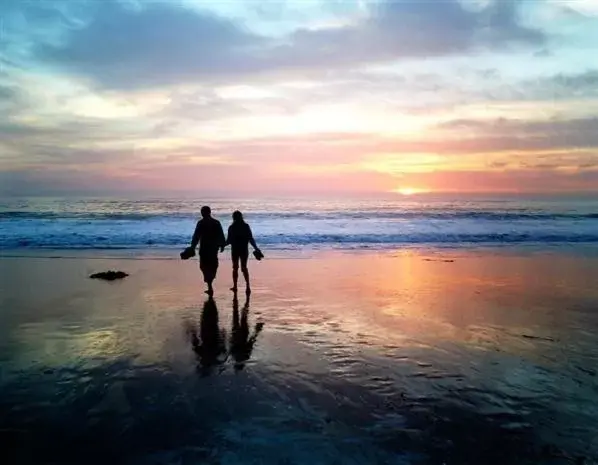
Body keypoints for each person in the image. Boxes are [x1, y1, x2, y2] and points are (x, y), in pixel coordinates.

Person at [189, 206, 226, 296]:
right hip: (213, 248)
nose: (202, 213)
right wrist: (222, 245)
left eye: (202, 212)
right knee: (212, 265)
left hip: (205, 248)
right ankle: (210, 282)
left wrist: (192, 247)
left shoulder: (201, 223)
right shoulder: (216, 222)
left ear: (205, 212)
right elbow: (221, 234)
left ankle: (209, 285)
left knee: (204, 266)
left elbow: (196, 236)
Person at [225, 210, 261, 294]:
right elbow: (250, 238)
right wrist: (256, 248)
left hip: (235, 250)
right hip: (244, 249)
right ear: (241, 217)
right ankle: (248, 286)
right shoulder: (245, 226)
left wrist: (221, 245)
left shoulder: (232, 227)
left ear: (233, 218)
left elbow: (229, 241)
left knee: (235, 268)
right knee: (244, 268)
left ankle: (235, 286)